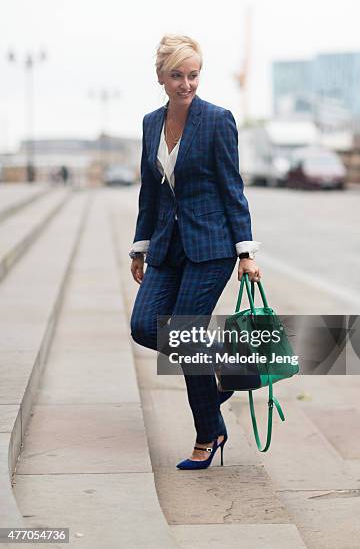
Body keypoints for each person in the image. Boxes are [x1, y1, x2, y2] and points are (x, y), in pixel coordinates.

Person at [129, 34, 261, 470]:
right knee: (145, 326)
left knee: (185, 337)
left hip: (212, 249)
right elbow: (152, 190)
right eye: (177, 76)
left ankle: (209, 434)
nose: (187, 84)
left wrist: (245, 251)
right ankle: (227, 370)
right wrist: (140, 247)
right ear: (161, 78)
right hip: (167, 246)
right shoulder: (151, 123)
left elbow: (231, 187)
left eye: (194, 75)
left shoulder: (218, 120)